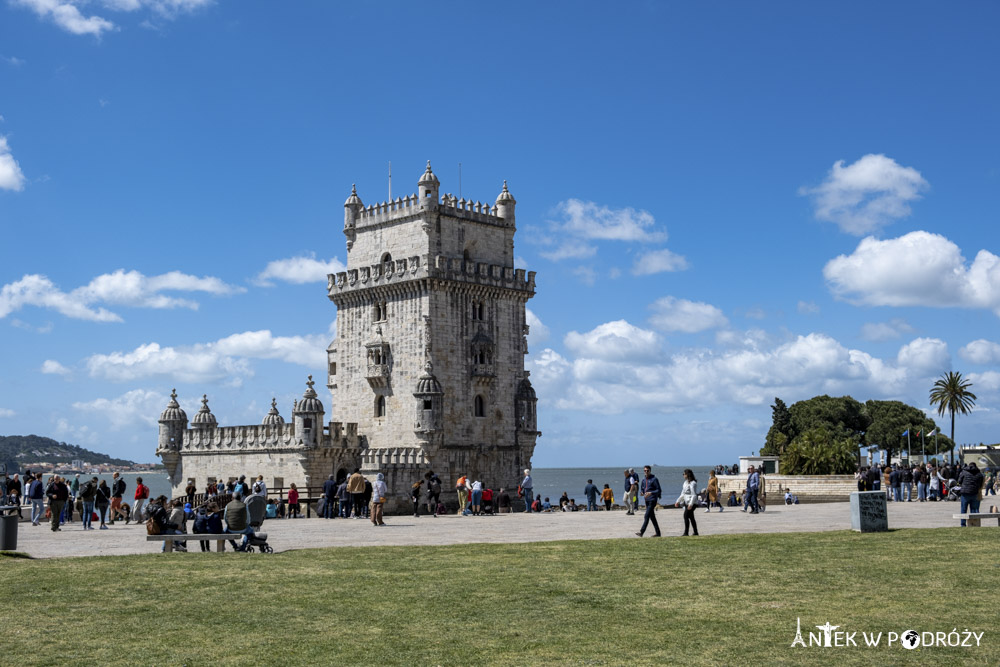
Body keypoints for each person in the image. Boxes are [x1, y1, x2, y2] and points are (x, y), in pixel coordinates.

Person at [635, 466, 661, 537]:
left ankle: (641, 532)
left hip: (652, 500)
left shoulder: (654, 479)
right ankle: (658, 533)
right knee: (652, 517)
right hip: (647, 500)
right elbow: (642, 489)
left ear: (650, 471)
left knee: (646, 516)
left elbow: (658, 490)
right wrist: (642, 493)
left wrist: (650, 493)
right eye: (645, 470)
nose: (646, 472)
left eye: (647, 470)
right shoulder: (643, 480)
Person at [957, 463, 985, 527]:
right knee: (974, 509)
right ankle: (974, 523)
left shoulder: (964, 472)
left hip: (965, 493)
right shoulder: (979, 474)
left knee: (963, 509)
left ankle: (963, 524)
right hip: (974, 493)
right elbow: (981, 484)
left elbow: (959, 481)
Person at [674, 469, 699, 536]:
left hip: (693, 503)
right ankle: (696, 532)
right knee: (691, 517)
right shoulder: (685, 483)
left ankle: (686, 532)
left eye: (684, 474)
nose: (683, 475)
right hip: (686, 502)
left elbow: (694, 495)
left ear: (687, 475)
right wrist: (678, 501)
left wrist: (691, 504)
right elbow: (683, 494)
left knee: (685, 516)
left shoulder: (693, 483)